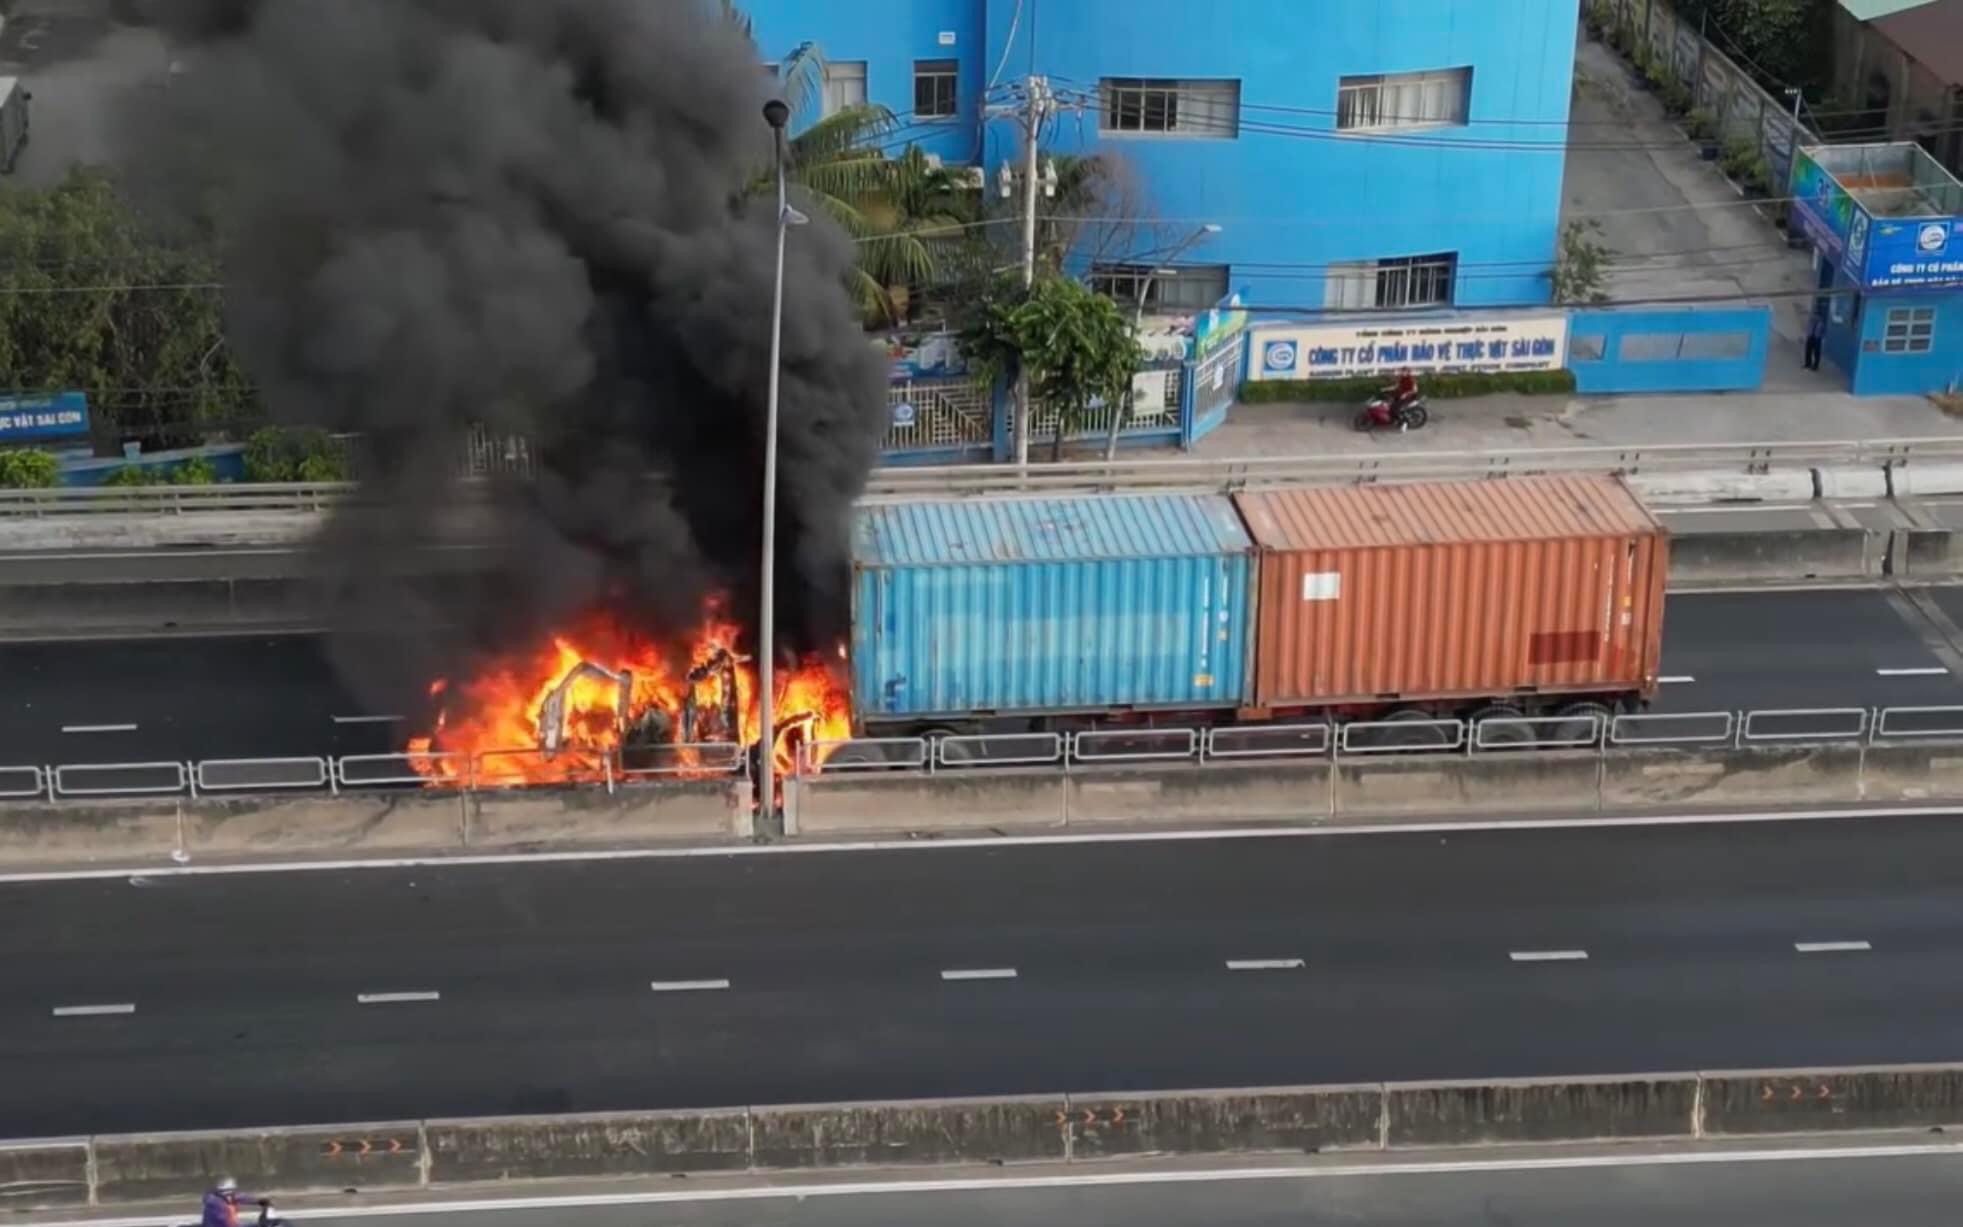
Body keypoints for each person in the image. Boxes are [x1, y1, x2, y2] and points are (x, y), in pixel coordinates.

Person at [202, 1178, 275, 1227]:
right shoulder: (215, 1203)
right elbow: (222, 1221)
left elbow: (242, 1197)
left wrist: (259, 1201)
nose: (231, 1195)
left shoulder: (228, 1198)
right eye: (229, 1192)